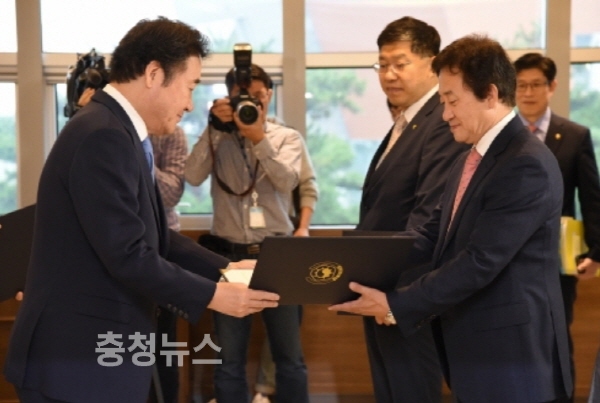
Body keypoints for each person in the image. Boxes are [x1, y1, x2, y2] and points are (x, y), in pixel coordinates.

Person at [3, 17, 279, 403]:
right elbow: (128, 254)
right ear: (153, 74)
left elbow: (156, 236)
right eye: (189, 87)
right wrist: (214, 295)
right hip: (75, 363)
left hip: (94, 358)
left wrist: (226, 269)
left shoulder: (118, 130)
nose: (189, 104)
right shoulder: (103, 135)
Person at [330, 34, 573, 403]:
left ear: (490, 94)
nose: (445, 115)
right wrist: (347, 261)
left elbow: (479, 262)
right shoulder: (468, 158)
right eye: (443, 102)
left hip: (512, 357)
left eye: (452, 100)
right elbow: (431, 235)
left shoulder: (525, 163)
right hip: (476, 352)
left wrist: (396, 304)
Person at [356, 16, 468, 403]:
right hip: (381, 291)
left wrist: (397, 298)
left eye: (400, 63)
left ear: (432, 64)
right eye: (382, 64)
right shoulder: (407, 120)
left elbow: (429, 220)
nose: (389, 74)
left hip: (408, 296)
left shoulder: (441, 121)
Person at [184, 63, 308, 403]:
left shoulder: (286, 137)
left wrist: (259, 140)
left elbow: (287, 181)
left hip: (278, 255)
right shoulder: (218, 138)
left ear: (269, 95)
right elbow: (192, 177)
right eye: (243, 97)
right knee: (228, 359)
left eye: (258, 95)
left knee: (289, 357)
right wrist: (212, 128)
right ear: (229, 98)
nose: (252, 102)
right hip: (229, 256)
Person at [513, 52, 600, 402]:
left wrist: (596, 252)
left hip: (557, 262)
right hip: (508, 259)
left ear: (552, 86)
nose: (528, 93)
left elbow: (591, 198)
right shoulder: (503, 136)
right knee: (515, 340)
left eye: (535, 85)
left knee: (556, 339)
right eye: (521, 85)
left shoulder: (575, 135)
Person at [252, 120, 318, 403]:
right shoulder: (226, 135)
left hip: (284, 241)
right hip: (237, 241)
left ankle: (266, 389)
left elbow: (306, 186)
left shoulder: (288, 137)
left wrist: (303, 228)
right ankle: (263, 389)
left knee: (286, 329)